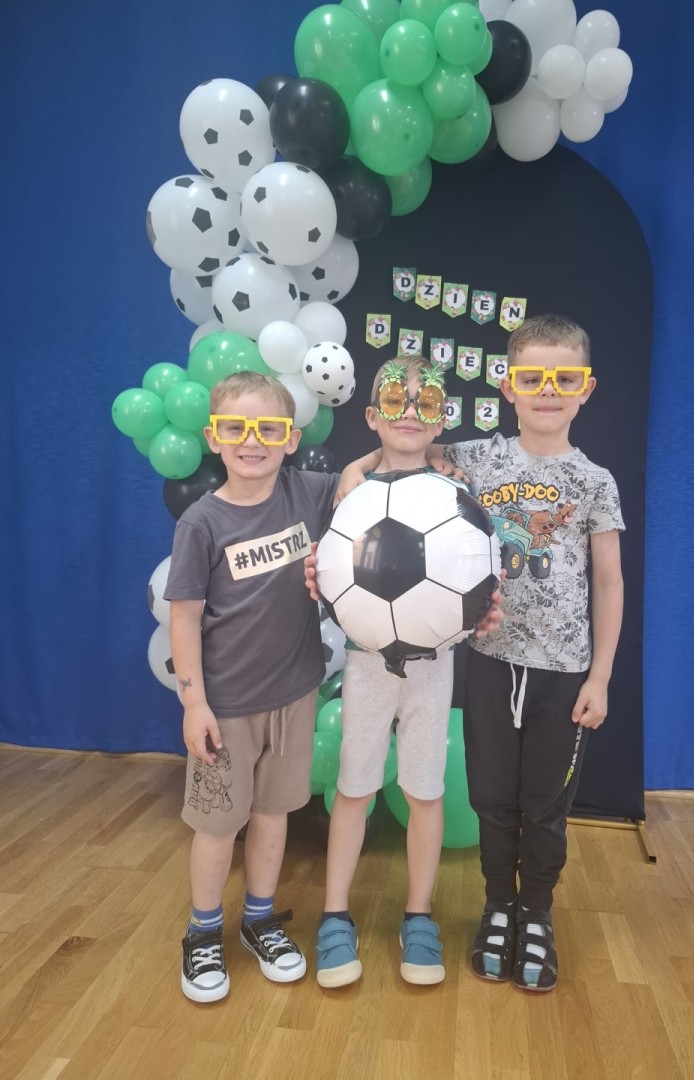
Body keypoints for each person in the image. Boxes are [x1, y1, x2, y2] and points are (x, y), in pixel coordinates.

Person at [165, 370, 380, 1003]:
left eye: (269, 429)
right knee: (216, 824)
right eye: (235, 428)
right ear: (214, 437)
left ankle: (259, 918)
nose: (251, 441)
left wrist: (371, 463)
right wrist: (194, 702)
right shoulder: (201, 522)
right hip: (226, 705)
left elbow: (364, 473)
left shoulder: (306, 491)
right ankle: (203, 931)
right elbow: (184, 616)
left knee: (273, 814)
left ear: (291, 439)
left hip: (295, 694)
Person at [432, 314, 625, 992]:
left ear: (586, 389)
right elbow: (404, 447)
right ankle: (497, 906)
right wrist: (356, 469)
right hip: (490, 662)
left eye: (564, 379)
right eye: (533, 377)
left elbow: (609, 581)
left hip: (564, 674)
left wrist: (600, 676)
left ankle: (536, 912)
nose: (548, 390)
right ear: (507, 385)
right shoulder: (479, 459)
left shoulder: (595, 481)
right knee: (492, 799)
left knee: (544, 806)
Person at [309, 356, 502, 990]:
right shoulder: (353, 493)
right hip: (367, 664)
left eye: (427, 403)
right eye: (396, 400)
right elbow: (331, 566)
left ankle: (418, 917)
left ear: (443, 417)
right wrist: (323, 577)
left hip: (433, 666)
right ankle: (334, 915)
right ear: (372, 415)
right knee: (354, 789)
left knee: (425, 791)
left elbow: (478, 565)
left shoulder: (455, 491)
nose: (411, 413)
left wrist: (481, 601)